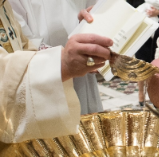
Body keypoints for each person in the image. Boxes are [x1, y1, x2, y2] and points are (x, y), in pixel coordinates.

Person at [0, 1, 112, 143]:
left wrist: (84, 29)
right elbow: (24, 46)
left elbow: (20, 41)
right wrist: (62, 62)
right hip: (41, 92)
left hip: (75, 77)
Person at [9, 0, 103, 115]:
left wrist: (89, 26)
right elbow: (17, 40)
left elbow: (98, 8)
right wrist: (63, 60)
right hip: (38, 84)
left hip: (83, 81)